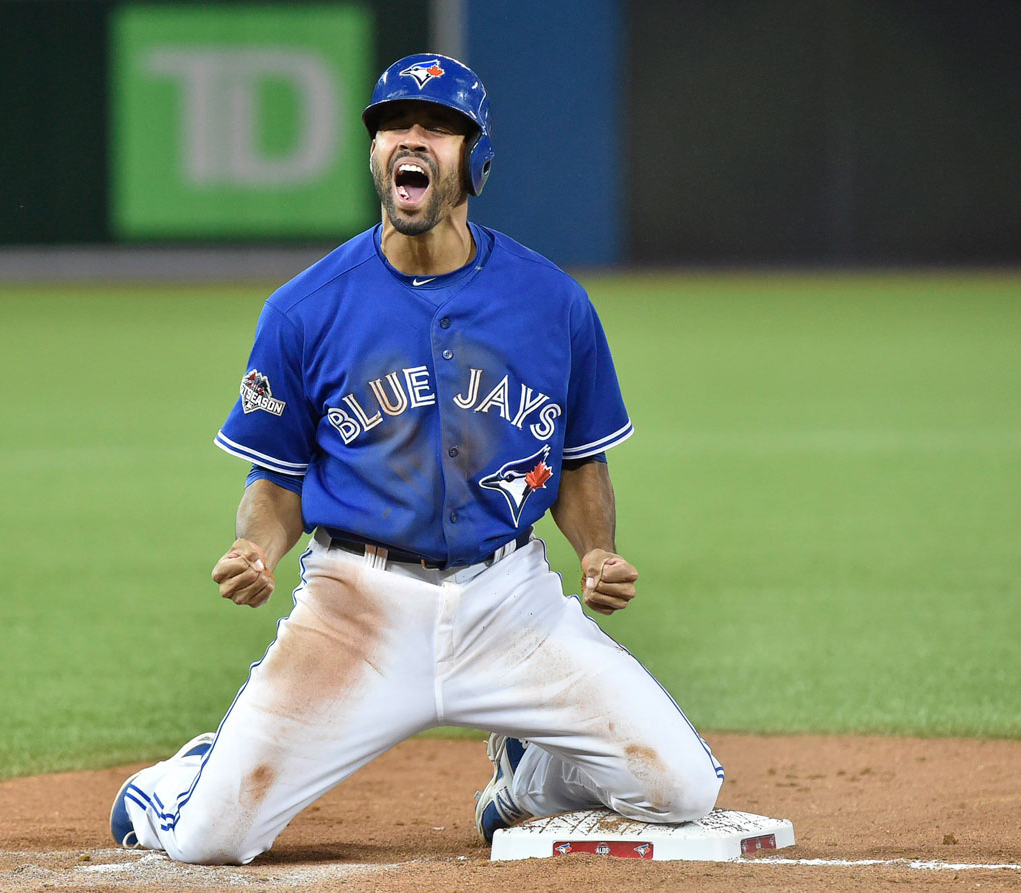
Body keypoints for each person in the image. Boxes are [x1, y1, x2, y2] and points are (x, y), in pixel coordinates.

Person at [110, 53, 723, 865]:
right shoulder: (305, 309)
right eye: (396, 124)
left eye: (439, 126)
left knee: (682, 787)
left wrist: (597, 549)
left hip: (511, 604)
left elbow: (576, 460)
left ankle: (525, 781)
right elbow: (278, 481)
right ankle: (183, 778)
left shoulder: (552, 303)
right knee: (209, 841)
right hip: (355, 608)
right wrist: (255, 547)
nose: (413, 138)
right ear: (375, 154)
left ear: (475, 159)